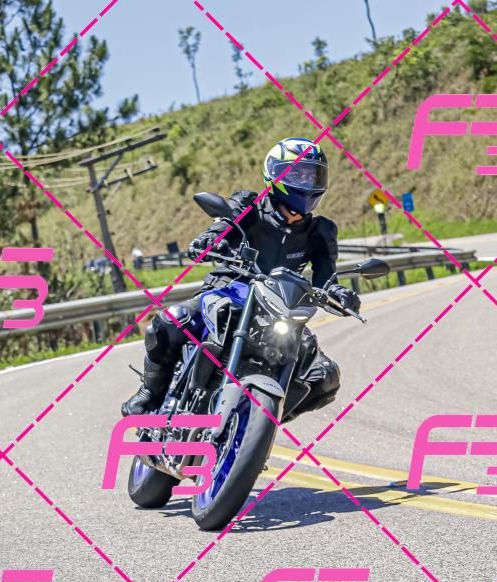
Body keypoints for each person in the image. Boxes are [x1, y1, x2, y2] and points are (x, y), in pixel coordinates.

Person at [121, 137, 360, 420]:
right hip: (229, 290)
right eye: (298, 174)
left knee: (324, 376)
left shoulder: (321, 231)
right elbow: (224, 224)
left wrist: (337, 292)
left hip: (280, 308)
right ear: (276, 174)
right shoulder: (250, 205)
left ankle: (254, 424)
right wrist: (210, 240)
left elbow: (325, 275)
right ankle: (149, 393)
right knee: (171, 320)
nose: (306, 182)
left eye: (312, 175)